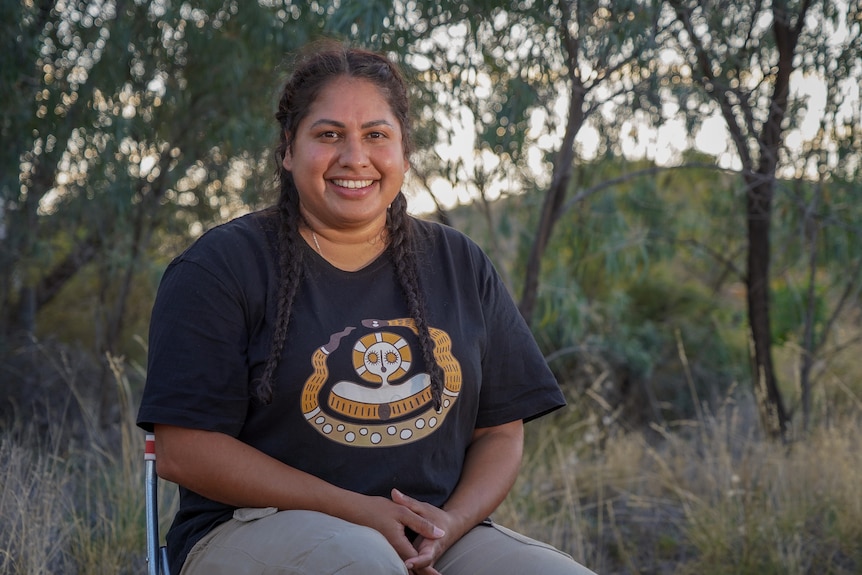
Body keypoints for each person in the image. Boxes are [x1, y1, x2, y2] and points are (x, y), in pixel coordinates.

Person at [137, 41, 597, 575]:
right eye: (329, 135)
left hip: (430, 533)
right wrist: (360, 513)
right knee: (362, 564)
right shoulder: (220, 267)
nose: (354, 157)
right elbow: (184, 450)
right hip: (253, 527)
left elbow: (499, 431)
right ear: (288, 149)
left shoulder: (458, 262)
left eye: (376, 135)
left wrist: (448, 526)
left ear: (404, 153)